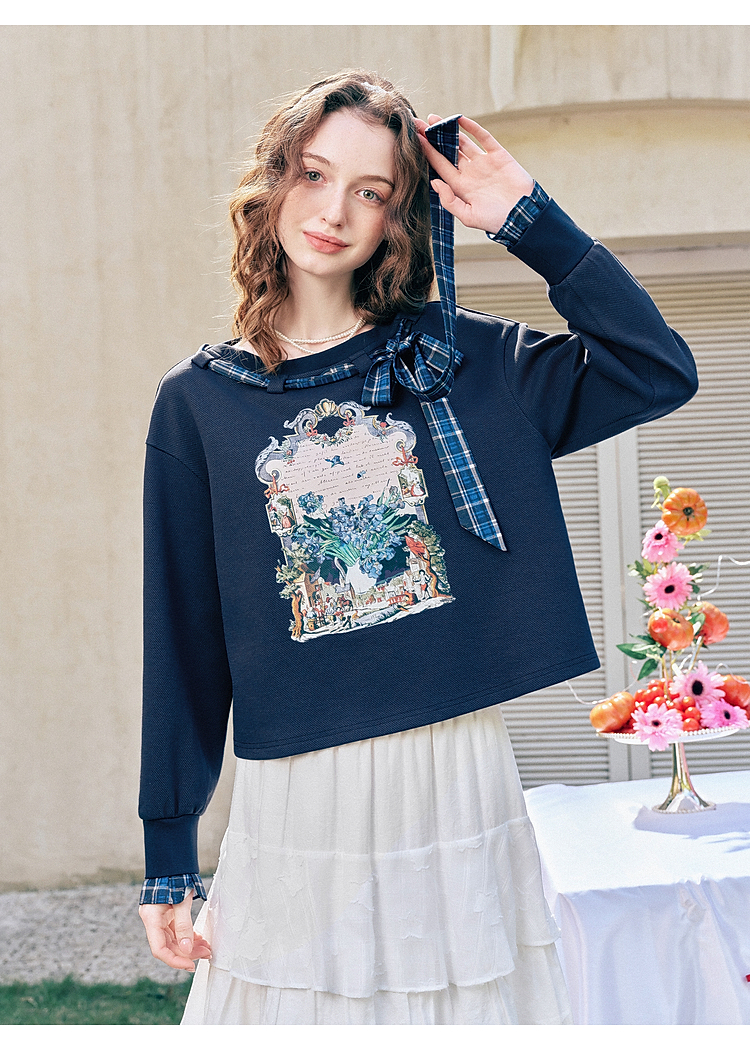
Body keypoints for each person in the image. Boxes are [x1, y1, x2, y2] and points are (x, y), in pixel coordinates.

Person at [138, 70, 697, 1024]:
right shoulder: (199, 404)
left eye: (371, 191)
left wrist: (528, 219)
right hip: (301, 791)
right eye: (314, 174)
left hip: (452, 773)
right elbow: (183, 640)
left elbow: (654, 369)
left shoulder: (457, 363)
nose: (333, 212)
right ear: (273, 182)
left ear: (398, 218)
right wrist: (168, 852)